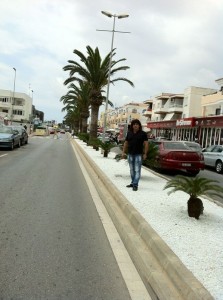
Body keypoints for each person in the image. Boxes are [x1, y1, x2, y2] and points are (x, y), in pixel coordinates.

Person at [121, 119, 149, 191]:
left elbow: (146, 144)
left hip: (138, 155)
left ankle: (135, 184)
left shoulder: (143, 134)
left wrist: (145, 154)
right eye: (134, 124)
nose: (135, 125)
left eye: (137, 124)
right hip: (130, 154)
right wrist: (123, 152)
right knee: (132, 170)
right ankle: (133, 182)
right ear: (132, 126)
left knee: (137, 170)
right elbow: (126, 143)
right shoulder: (129, 133)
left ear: (139, 126)